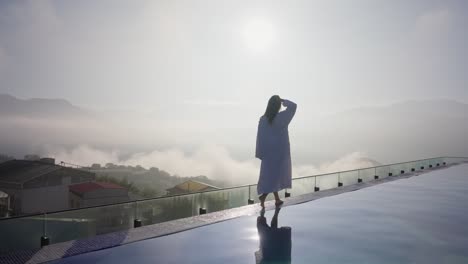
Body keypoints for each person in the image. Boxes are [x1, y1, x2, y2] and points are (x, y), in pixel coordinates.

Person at [255, 95, 297, 207]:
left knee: (271, 176)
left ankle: (276, 199)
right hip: (280, 152)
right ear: (278, 106)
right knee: (275, 176)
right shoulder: (282, 118)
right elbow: (293, 106)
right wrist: (284, 101)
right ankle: (263, 197)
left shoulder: (263, 120)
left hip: (268, 153)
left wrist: (260, 152)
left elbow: (260, 137)